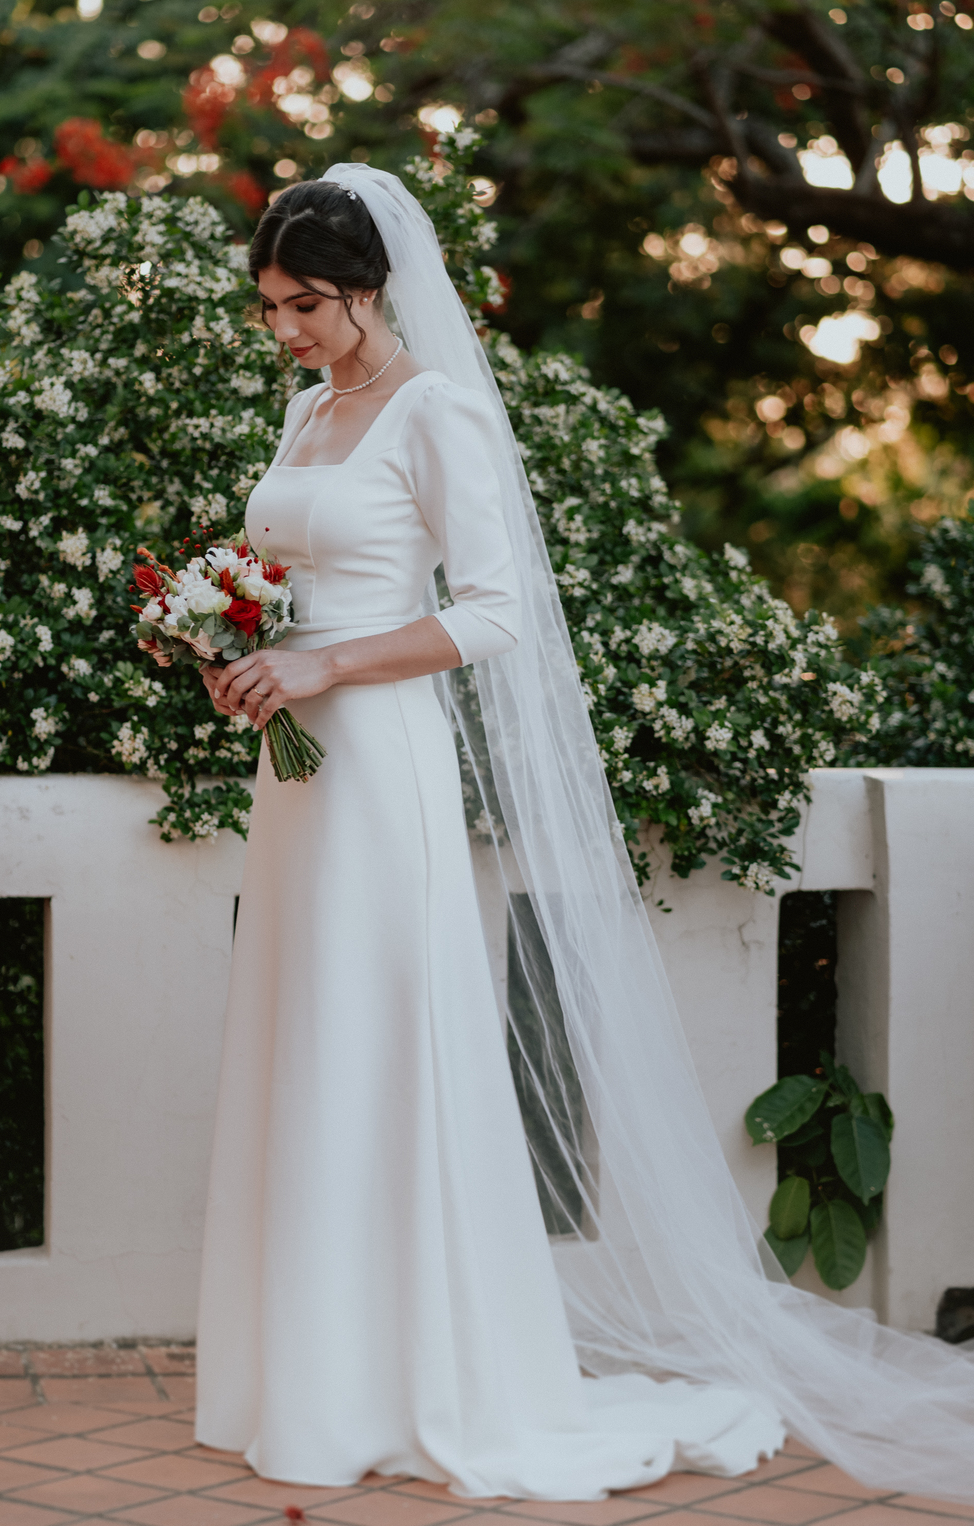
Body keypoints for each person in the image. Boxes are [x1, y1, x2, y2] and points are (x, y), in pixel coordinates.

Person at [192, 168, 974, 1502]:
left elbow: (493, 611)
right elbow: (299, 578)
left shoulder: (434, 412)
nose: (286, 329)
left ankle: (422, 1375)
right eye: (271, 306)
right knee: (306, 1032)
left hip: (383, 765)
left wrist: (328, 666)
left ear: (371, 288)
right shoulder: (308, 409)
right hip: (298, 772)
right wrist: (242, 648)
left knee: (384, 1039)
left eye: (306, 303)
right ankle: (311, 1375)